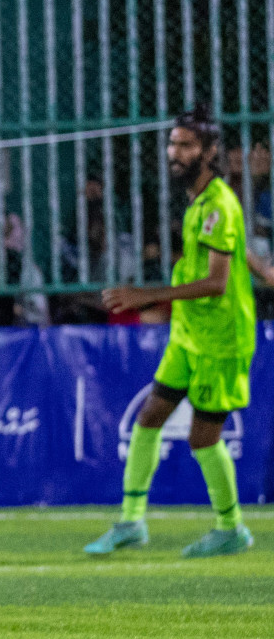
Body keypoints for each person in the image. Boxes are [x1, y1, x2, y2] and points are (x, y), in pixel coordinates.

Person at [87, 107, 256, 559]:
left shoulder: (218, 203)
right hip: (189, 333)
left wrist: (147, 296)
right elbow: (237, 255)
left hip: (220, 338)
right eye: (172, 143)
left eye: (185, 145)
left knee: (203, 437)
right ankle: (130, 523)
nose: (174, 153)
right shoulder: (202, 200)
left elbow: (217, 282)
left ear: (210, 150)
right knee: (148, 419)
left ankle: (231, 527)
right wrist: (265, 269)